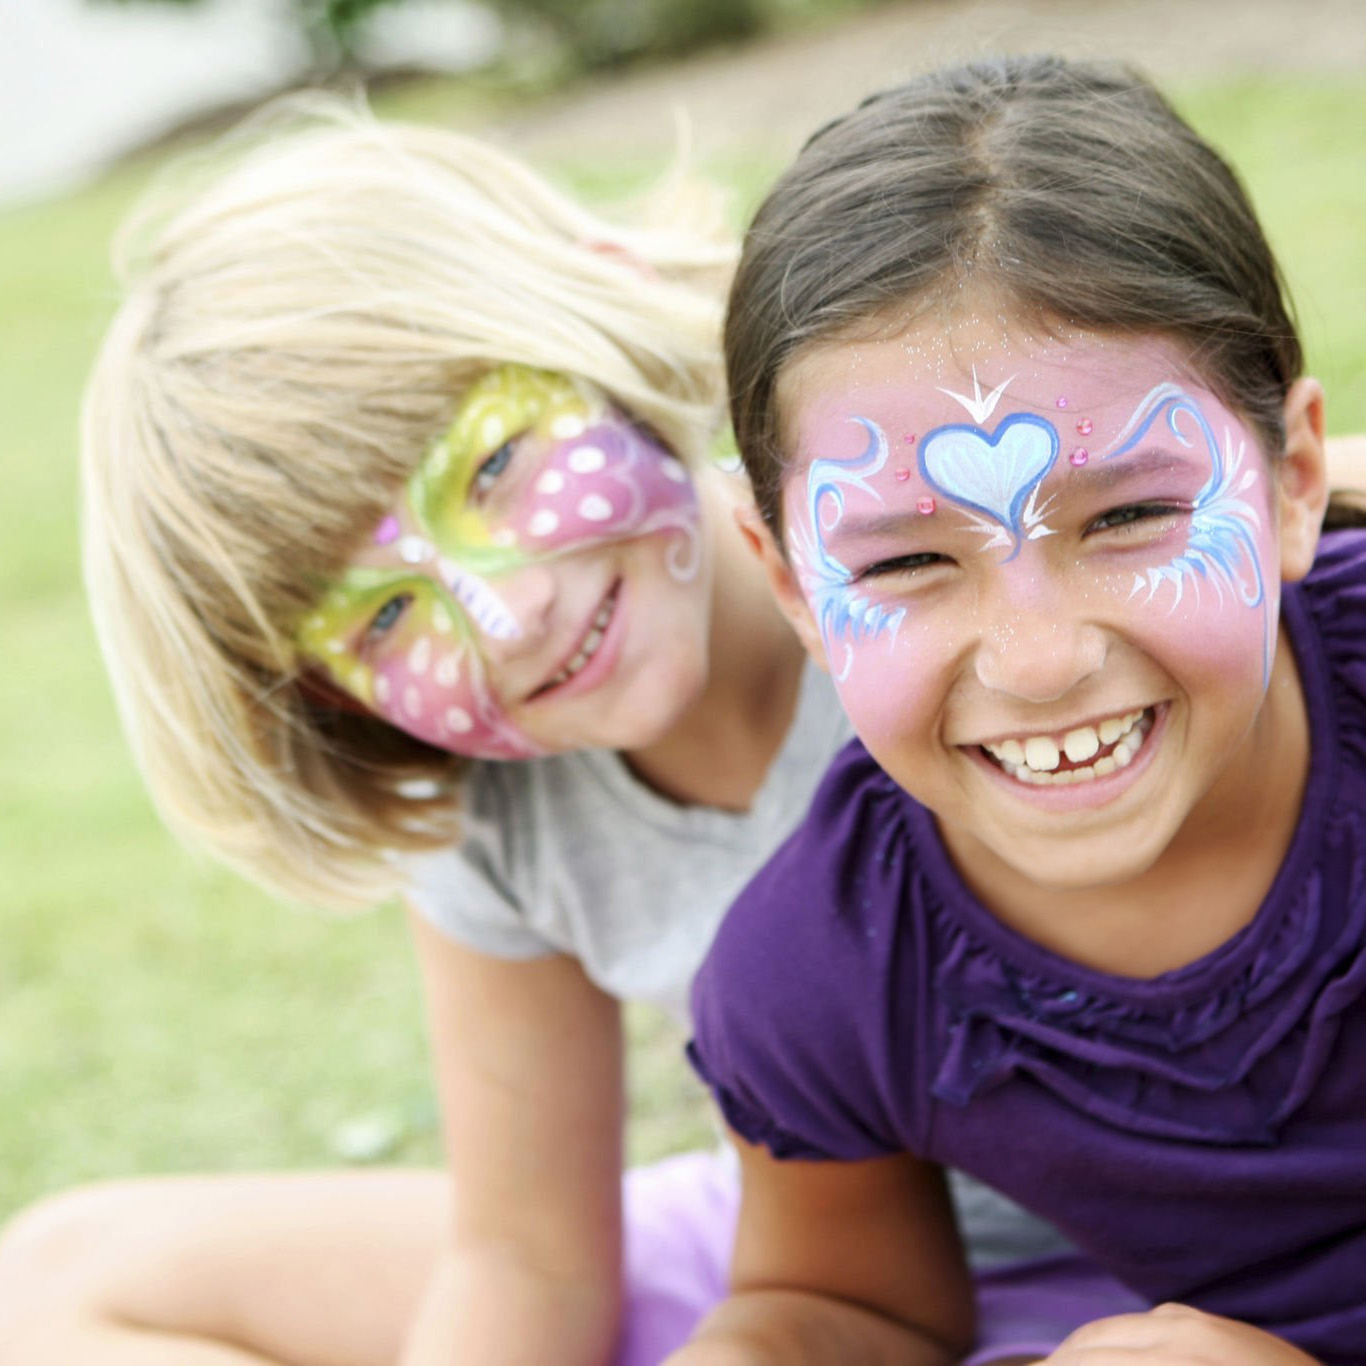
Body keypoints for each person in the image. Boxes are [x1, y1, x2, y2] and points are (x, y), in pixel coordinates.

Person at [0, 96, 1096, 1366]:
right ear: (330, 695)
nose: (506, 616)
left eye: (491, 469)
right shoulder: (495, 812)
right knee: (55, 1277)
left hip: (1169, 1256)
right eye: (386, 615)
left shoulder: (931, 585)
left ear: (602, 309)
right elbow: (528, 1255)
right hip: (805, 1270)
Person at [682, 55, 1366, 1365]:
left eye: (1128, 516)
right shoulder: (825, 970)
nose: (1039, 660)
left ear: (1289, 479)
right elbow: (846, 1305)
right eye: (904, 561)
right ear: (791, 585)